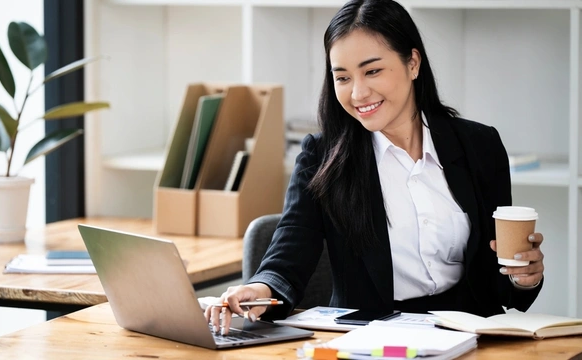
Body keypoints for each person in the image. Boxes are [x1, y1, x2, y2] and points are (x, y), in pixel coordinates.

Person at [206, 0, 545, 335]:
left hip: (470, 336)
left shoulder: (479, 146)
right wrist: (260, 289)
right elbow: (289, 252)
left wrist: (523, 277)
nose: (358, 93)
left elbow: (500, 279)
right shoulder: (322, 157)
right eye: (342, 77)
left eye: (372, 71)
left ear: (413, 63)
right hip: (369, 341)